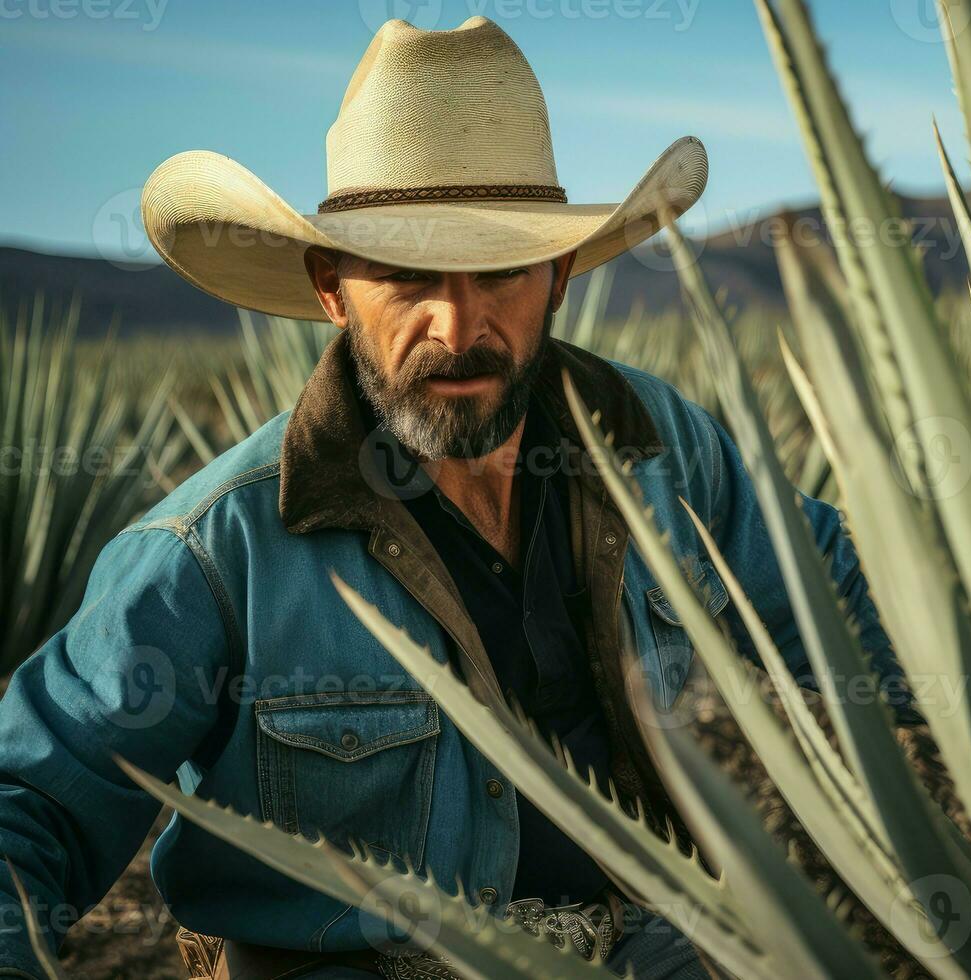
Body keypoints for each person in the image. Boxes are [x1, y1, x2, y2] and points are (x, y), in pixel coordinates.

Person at [0, 16, 902, 980]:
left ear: (557, 279)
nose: (457, 324)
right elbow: (30, 801)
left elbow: (855, 605)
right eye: (406, 275)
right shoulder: (219, 549)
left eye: (501, 270)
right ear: (333, 286)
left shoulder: (661, 447)